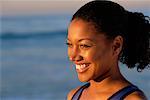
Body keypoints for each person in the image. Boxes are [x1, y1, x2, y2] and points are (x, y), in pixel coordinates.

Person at [66, 0, 150, 100]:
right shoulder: (73, 96)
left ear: (116, 46)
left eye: (84, 45)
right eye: (69, 44)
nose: (73, 56)